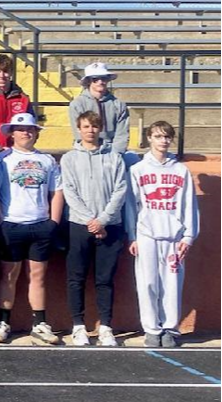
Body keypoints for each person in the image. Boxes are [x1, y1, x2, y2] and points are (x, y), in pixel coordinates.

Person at [0, 113, 64, 345]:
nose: (26, 133)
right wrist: (1, 222)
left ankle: (40, 323)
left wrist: (53, 222)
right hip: (12, 224)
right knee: (9, 275)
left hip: (40, 224)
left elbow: (57, 192)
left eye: (31, 129)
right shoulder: (1, 160)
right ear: (11, 133)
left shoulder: (47, 161)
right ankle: (4, 322)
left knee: (38, 275)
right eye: (21, 129)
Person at [126, 121, 200, 348]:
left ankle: (169, 328)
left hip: (174, 236)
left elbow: (189, 204)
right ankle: (151, 328)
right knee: (147, 283)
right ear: (149, 138)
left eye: (167, 137)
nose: (163, 141)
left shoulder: (180, 171)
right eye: (158, 136)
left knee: (172, 284)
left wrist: (188, 236)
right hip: (146, 234)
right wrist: (133, 235)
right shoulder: (138, 169)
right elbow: (131, 205)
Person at [62, 111, 128, 347]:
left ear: (101, 129)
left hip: (110, 227)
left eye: (94, 126)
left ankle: (106, 327)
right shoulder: (69, 159)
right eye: (86, 126)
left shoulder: (114, 157)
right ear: (79, 129)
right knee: (76, 278)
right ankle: (78, 326)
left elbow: (120, 190)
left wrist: (103, 220)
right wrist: (91, 220)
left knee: (105, 279)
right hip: (80, 226)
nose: (90, 130)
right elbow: (70, 192)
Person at [69, 62, 130, 153]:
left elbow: (122, 135)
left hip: (113, 150)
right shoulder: (77, 104)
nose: (100, 82)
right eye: (95, 79)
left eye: (104, 78)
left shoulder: (119, 105)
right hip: (85, 151)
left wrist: (115, 155)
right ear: (88, 81)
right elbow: (79, 134)